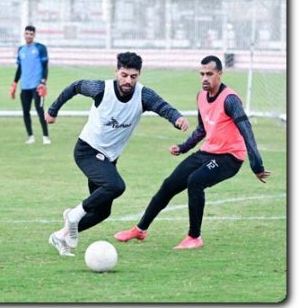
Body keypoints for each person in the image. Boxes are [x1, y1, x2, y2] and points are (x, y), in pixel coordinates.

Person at [114, 55, 271, 249]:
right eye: (202, 74)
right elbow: (202, 129)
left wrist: (257, 165)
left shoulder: (230, 100)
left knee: (195, 182)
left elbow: (247, 130)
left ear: (220, 74)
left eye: (210, 74)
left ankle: (194, 237)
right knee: (169, 184)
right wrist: (183, 147)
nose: (205, 78)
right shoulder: (201, 96)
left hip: (229, 158)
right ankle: (140, 229)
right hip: (207, 152)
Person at [46, 52, 190, 257]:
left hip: (109, 159)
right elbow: (75, 86)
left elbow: (163, 107)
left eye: (133, 76)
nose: (128, 81)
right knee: (115, 186)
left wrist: (177, 118)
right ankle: (72, 216)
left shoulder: (143, 95)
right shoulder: (100, 89)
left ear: (138, 75)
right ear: (116, 72)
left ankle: (59, 236)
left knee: (103, 211)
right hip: (87, 151)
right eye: (123, 75)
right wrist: (53, 111)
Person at [9, 25, 51, 145]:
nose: (28, 36)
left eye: (31, 34)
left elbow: (45, 66)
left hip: (37, 86)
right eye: (26, 34)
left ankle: (45, 136)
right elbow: (19, 69)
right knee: (25, 111)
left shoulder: (40, 48)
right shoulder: (21, 49)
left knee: (40, 110)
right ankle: (30, 136)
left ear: (34, 35)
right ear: (24, 34)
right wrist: (14, 84)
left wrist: (43, 82)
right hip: (25, 86)